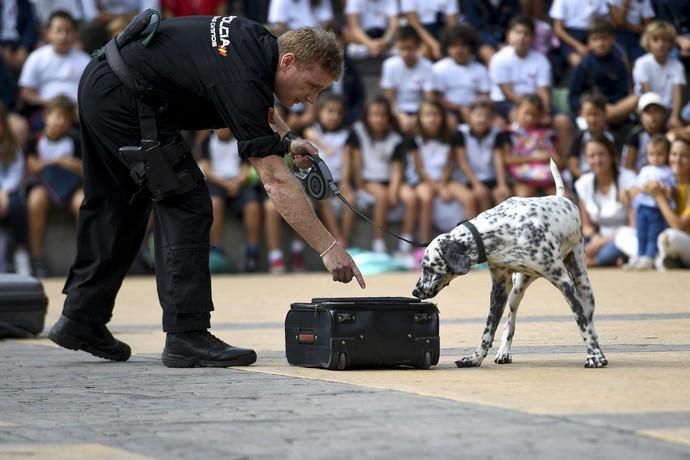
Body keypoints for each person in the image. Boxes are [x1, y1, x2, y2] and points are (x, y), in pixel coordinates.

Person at [48, 14, 365, 369]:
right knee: (187, 201)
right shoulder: (244, 73)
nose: (311, 100)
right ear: (289, 61)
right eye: (313, 86)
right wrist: (328, 248)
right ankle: (186, 335)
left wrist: (288, 138)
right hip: (127, 98)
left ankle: (81, 318)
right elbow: (275, 179)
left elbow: (256, 106)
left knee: (121, 203)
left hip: (103, 82)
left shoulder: (258, 44)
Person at [24, 95, 83, 277]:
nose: (61, 122)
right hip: (45, 187)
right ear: (46, 116)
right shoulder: (34, 140)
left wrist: (65, 162)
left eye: (66, 118)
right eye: (58, 116)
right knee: (35, 201)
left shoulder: (76, 140)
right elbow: (33, 166)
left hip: (72, 188)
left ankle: (85, 258)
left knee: (83, 203)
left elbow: (84, 169)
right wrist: (51, 162)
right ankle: (36, 258)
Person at [345, 95, 408, 254]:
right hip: (368, 181)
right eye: (374, 115)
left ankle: (405, 246)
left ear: (388, 118)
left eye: (382, 115)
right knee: (381, 196)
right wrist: (358, 184)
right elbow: (356, 162)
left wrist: (394, 190)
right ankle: (378, 244)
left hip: (390, 181)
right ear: (366, 116)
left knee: (412, 197)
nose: (378, 119)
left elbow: (397, 169)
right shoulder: (358, 132)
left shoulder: (396, 139)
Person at [197, 128, 263, 273]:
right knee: (215, 203)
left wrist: (237, 182)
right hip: (217, 183)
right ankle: (216, 248)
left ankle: (252, 249)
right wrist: (224, 183)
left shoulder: (240, 141)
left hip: (238, 183)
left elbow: (246, 167)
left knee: (252, 204)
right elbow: (206, 168)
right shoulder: (207, 141)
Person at [575, 134, 637, 266]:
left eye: (601, 154)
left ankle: (596, 262)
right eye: (591, 156)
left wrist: (604, 241)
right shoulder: (583, 183)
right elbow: (586, 226)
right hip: (597, 237)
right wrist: (595, 237)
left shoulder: (628, 179)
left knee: (609, 251)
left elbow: (634, 226)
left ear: (612, 156)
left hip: (625, 237)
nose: (597, 160)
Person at [568, 17, 638, 127]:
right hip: (589, 112)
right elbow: (574, 97)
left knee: (635, 99)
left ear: (612, 39)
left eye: (604, 38)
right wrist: (591, 107)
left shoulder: (619, 64)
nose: (600, 43)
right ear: (589, 42)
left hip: (613, 110)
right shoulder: (583, 65)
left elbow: (622, 94)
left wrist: (607, 106)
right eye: (595, 39)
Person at [625, 134, 674, 269]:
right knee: (641, 232)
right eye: (651, 154)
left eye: (659, 154)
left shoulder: (668, 171)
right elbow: (637, 186)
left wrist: (662, 189)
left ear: (666, 155)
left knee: (653, 234)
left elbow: (670, 191)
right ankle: (639, 255)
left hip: (656, 209)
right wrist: (636, 190)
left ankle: (649, 257)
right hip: (642, 207)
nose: (655, 158)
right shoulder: (645, 170)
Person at [431, 24, 490, 128]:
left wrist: (474, 111)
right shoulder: (439, 68)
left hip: (475, 110)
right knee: (450, 122)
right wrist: (459, 108)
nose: (459, 50)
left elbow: (484, 95)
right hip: (447, 111)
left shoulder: (480, 69)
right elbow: (437, 97)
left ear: (471, 47)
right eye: (454, 46)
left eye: (463, 45)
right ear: (447, 48)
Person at [633, 20, 687, 130]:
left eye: (665, 40)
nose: (660, 44)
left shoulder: (677, 66)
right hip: (649, 109)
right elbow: (648, 93)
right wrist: (655, 115)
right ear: (648, 42)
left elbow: (677, 94)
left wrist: (674, 117)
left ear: (671, 43)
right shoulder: (642, 63)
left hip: (669, 111)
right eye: (656, 40)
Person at [504, 95, 561, 197]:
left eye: (534, 115)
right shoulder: (508, 134)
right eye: (526, 113)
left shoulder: (546, 134)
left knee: (561, 196)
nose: (529, 118)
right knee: (524, 196)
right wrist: (535, 158)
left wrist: (552, 158)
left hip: (546, 178)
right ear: (517, 111)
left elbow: (557, 158)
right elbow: (507, 159)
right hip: (521, 179)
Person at [380, 26, 433, 134]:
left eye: (409, 48)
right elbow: (389, 99)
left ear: (417, 47)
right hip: (397, 111)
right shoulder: (389, 65)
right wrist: (400, 116)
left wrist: (417, 118)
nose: (405, 53)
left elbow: (429, 98)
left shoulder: (427, 66)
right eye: (401, 49)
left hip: (420, 111)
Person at [648, 133, 690, 269]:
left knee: (669, 237)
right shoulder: (668, 181)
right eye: (674, 154)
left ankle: (664, 258)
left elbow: (679, 226)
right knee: (622, 234)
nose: (677, 159)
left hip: (682, 239)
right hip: (668, 238)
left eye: (683, 156)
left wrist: (659, 197)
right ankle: (667, 259)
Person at [0, 102, 30, 275]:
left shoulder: (13, 146)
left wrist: (4, 192)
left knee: (18, 205)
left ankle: (21, 251)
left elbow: (16, 174)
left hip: (9, 193)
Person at [622, 92, 668, 171]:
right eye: (648, 112)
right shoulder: (635, 135)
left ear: (663, 113)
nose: (652, 115)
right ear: (641, 116)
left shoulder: (668, 134)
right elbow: (628, 166)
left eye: (656, 111)